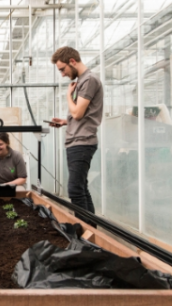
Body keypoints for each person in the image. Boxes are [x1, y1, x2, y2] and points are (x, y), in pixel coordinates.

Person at [49, 46, 103, 225]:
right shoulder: (84, 80)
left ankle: (87, 233)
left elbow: (78, 113)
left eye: (62, 69)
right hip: (78, 141)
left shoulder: (88, 80)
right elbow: (82, 114)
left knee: (74, 190)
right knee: (80, 188)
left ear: (72, 61)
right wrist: (66, 121)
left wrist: (68, 96)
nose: (63, 74)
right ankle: (91, 232)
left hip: (82, 142)